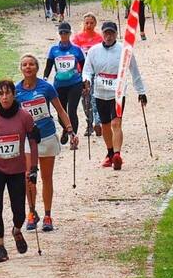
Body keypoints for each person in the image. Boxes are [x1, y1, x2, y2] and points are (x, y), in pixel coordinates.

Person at [0, 80, 39, 262]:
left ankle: (17, 230)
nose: (4, 97)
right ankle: (0, 247)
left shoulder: (24, 117)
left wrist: (34, 168)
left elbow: (33, 142)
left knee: (19, 210)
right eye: (1, 94)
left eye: (8, 93)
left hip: (17, 169)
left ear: (14, 94)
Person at [17, 53, 77, 232]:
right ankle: (32, 212)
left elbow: (60, 110)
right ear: (21, 69)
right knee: (29, 177)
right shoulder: (16, 90)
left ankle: (48, 215)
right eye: (25, 65)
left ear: (37, 67)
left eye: (31, 64)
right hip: (28, 140)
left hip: (47, 136)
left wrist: (70, 130)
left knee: (46, 177)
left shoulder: (47, 87)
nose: (28, 67)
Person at [82, 20, 147, 171]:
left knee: (116, 123)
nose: (109, 36)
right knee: (105, 124)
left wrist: (141, 92)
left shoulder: (125, 50)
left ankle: (117, 155)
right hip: (100, 91)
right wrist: (85, 81)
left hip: (118, 91)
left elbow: (135, 72)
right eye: (106, 33)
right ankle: (110, 153)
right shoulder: (94, 51)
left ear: (116, 34)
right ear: (102, 34)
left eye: (112, 33)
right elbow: (87, 70)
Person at [43, 21, 87, 140]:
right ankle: (66, 128)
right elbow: (48, 66)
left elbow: (84, 66)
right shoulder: (53, 50)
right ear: (59, 34)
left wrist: (85, 81)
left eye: (66, 32)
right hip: (59, 85)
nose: (63, 35)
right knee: (60, 112)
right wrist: (45, 79)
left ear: (70, 34)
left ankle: (73, 137)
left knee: (72, 111)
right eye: (61, 32)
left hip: (75, 84)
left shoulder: (76, 50)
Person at [71, 13, 104, 135]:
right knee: (85, 99)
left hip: (97, 72)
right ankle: (89, 123)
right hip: (81, 73)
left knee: (96, 97)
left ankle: (97, 122)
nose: (89, 25)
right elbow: (72, 56)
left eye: (91, 23)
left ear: (95, 24)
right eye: (87, 23)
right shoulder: (77, 38)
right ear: (83, 23)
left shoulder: (100, 38)